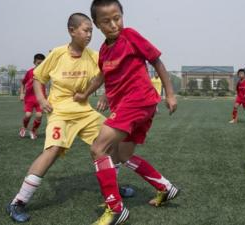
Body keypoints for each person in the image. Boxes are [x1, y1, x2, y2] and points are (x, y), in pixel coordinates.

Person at [74, 1, 180, 224]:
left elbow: (156, 61)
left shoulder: (130, 36)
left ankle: (115, 208)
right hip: (134, 105)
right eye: (106, 21)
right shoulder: (103, 50)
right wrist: (86, 94)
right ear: (97, 25)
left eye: (117, 18)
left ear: (122, 16)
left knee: (98, 148)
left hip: (137, 101)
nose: (114, 24)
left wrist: (170, 94)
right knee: (122, 155)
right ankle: (165, 187)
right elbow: (102, 76)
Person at [6, 13, 106, 223]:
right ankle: (17, 202)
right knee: (52, 151)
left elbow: (107, 73)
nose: (89, 35)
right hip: (60, 112)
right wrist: (42, 99)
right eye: (85, 30)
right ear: (72, 31)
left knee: (110, 140)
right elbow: (38, 77)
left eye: (91, 31)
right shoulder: (58, 53)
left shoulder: (94, 56)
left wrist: (103, 94)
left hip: (85, 111)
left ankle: (112, 187)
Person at [19, 54, 46, 139]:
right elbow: (23, 83)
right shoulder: (30, 72)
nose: (40, 65)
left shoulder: (45, 73)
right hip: (29, 98)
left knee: (39, 115)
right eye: (38, 63)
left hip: (40, 98)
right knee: (28, 115)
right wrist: (22, 93)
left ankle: (33, 130)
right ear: (34, 62)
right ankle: (24, 128)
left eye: (42, 63)